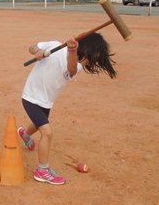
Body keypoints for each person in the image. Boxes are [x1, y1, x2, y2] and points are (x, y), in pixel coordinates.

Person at [18, 33, 116, 185]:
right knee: (47, 133)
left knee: (39, 124)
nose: (91, 60)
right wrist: (37, 51)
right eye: (93, 55)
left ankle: (24, 134)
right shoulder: (54, 45)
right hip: (31, 97)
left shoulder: (77, 64)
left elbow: (71, 70)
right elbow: (32, 47)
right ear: (87, 48)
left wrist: (72, 52)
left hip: (46, 101)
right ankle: (42, 171)